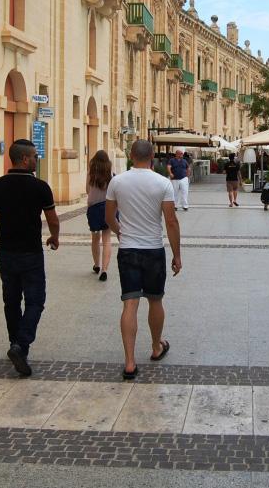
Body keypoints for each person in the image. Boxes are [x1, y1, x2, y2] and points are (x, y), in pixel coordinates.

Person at [0, 139, 60, 377]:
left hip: (6, 251)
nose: (37, 159)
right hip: (31, 252)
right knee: (35, 301)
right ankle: (21, 345)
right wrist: (55, 237)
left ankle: (14, 342)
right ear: (25, 159)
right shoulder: (40, 187)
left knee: (11, 301)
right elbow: (53, 219)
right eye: (35, 156)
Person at [105, 139, 182, 380]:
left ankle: (129, 362)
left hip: (128, 249)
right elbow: (170, 221)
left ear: (130, 155)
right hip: (153, 249)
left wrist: (121, 232)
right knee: (155, 300)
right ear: (152, 157)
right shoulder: (163, 183)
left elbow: (109, 217)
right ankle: (156, 347)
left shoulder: (116, 182)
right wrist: (177, 255)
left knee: (130, 304)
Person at [85, 149, 114, 281]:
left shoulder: (91, 173)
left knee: (95, 238)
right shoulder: (111, 175)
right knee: (107, 239)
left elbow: (87, 190)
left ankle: (96, 265)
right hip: (107, 208)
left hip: (94, 208)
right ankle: (105, 269)